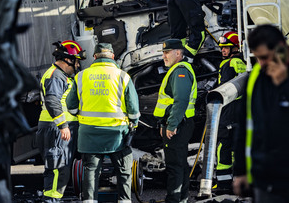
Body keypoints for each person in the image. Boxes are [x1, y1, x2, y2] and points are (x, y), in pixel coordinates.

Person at [233, 24, 289, 202]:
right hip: (265, 178)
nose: (262, 64)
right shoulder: (256, 76)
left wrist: (285, 86)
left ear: (281, 48)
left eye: (264, 57)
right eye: (257, 58)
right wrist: (240, 171)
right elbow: (244, 126)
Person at [66, 43, 140, 203]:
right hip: (117, 135)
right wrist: (133, 123)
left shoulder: (81, 76)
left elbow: (71, 107)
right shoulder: (122, 76)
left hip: (89, 135)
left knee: (91, 172)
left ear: (94, 57)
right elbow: (133, 109)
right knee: (124, 172)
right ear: (113, 57)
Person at [36, 40, 86, 202]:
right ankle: (51, 201)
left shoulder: (61, 75)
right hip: (57, 129)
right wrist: (62, 125)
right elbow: (52, 101)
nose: (77, 65)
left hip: (60, 128)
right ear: (67, 59)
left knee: (61, 167)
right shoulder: (55, 76)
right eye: (76, 61)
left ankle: (53, 199)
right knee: (58, 168)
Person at [153, 39, 197, 203]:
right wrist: (164, 124)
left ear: (178, 52)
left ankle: (174, 199)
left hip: (178, 125)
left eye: (167, 52)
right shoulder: (178, 70)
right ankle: (182, 197)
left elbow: (180, 101)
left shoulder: (180, 71)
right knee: (180, 163)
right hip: (179, 123)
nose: (164, 56)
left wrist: (171, 125)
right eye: (164, 52)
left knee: (174, 165)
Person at [215, 31, 246, 191]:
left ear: (235, 47)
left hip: (228, 111)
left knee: (223, 147)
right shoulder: (242, 62)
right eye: (222, 48)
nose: (223, 51)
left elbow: (224, 88)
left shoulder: (227, 64)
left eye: (226, 48)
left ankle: (223, 184)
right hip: (239, 111)